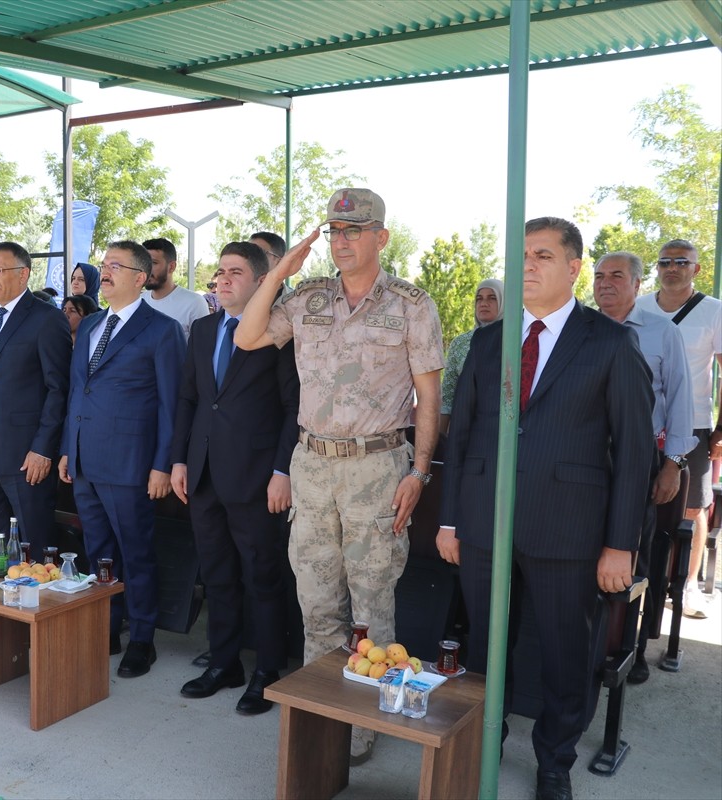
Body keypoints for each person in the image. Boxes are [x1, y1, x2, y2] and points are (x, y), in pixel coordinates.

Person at [438, 217, 652, 800]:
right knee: (486, 646)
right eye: (521, 255)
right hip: (484, 525)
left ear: (574, 267)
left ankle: (554, 760)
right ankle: (484, 740)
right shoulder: (488, 340)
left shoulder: (610, 343)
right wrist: (452, 518)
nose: (527, 265)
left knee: (564, 653)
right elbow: (463, 440)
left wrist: (620, 544)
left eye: (542, 256)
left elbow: (634, 453)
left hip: (568, 530)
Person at [234, 188, 444, 764]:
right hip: (313, 465)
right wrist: (278, 271)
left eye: (355, 230)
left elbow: (429, 397)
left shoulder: (410, 303)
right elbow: (246, 336)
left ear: (381, 236)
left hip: (378, 466)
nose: (343, 240)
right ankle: (323, 715)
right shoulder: (308, 297)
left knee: (371, 603)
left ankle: (363, 725)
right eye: (334, 230)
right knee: (317, 600)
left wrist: (419, 473)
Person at [171, 241, 299, 715]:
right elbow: (190, 399)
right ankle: (225, 662)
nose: (223, 280)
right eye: (220, 272)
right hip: (203, 473)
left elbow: (293, 408)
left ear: (264, 281)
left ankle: (267, 669)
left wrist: (282, 470)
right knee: (218, 574)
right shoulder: (204, 329)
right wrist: (180, 460)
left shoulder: (279, 332)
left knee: (262, 576)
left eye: (236, 273)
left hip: (257, 477)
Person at [59, 241, 185, 678]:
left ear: (140, 276)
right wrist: (66, 448)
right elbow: (79, 391)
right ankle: (108, 625)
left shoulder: (162, 330)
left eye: (116, 265)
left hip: (132, 465)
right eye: (103, 264)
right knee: (99, 552)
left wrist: (163, 465)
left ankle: (143, 638)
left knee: (136, 553)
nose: (105, 272)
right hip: (85, 461)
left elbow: (173, 405)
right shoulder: (91, 323)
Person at [593, 250, 695, 684]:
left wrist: (672, 465)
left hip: (640, 459)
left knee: (633, 556)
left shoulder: (661, 332)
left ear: (638, 285)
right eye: (598, 275)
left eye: (616, 275)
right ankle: (588, 644)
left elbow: (680, 400)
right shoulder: (581, 328)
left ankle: (628, 650)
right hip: (583, 460)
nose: (605, 283)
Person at [0, 241, 71, 558]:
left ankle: (37, 605)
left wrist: (42, 448)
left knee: (34, 543)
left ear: (23, 274)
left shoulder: (47, 319)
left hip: (26, 456)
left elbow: (58, 389)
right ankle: (4, 602)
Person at [635, 239, 721, 620]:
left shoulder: (713, 312)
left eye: (681, 262)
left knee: (692, 505)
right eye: (665, 261)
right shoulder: (637, 308)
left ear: (696, 269)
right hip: (640, 422)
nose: (672, 268)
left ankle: (686, 585)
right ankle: (641, 578)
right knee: (639, 500)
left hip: (694, 423)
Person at [440, 278, 505, 432]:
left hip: (503, 430)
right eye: (479, 298)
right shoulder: (461, 343)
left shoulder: (515, 341)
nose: (483, 303)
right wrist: (440, 439)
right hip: (465, 428)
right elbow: (448, 396)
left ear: (504, 302)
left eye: (492, 298)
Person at [141, 237, 210, 338]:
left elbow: (204, 347)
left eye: (154, 263)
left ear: (172, 267)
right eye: (144, 263)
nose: (147, 269)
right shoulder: (139, 302)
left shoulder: (194, 302)